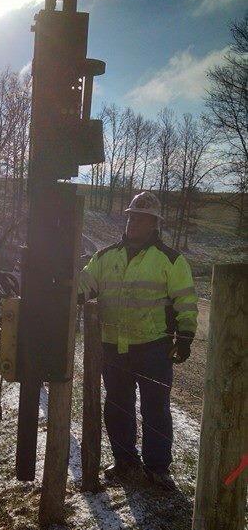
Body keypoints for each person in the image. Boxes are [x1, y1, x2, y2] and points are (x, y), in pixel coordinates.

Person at [79, 191, 198, 491]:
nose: (134, 222)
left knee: (155, 408)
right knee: (117, 406)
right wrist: (63, 285)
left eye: (141, 218)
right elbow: (83, 286)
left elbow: (185, 300)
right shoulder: (104, 257)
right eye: (132, 216)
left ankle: (157, 468)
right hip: (112, 348)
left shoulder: (171, 260)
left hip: (153, 348)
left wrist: (185, 336)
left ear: (153, 224)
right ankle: (125, 461)